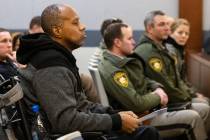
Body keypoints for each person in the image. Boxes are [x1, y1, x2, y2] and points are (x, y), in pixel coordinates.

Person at [16, 4, 161, 140]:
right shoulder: (50, 66)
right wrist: (115, 121)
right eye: (75, 22)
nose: (83, 26)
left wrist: (115, 114)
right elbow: (65, 121)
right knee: (147, 134)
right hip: (65, 135)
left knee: (145, 132)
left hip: (75, 132)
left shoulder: (58, 58)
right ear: (57, 30)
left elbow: (81, 105)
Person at [98, 22, 208, 139]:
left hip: (153, 108)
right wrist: (158, 97)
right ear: (117, 42)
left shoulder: (124, 59)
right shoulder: (113, 70)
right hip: (142, 119)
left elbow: (144, 78)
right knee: (193, 117)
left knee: (204, 109)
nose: (134, 42)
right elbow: (136, 104)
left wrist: (157, 87)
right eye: (130, 38)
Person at [134, 10, 210, 136]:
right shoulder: (148, 51)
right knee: (201, 109)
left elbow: (177, 79)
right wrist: (189, 97)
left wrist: (190, 95)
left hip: (167, 100)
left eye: (167, 24)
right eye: (161, 24)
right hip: (158, 106)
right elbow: (166, 85)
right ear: (149, 28)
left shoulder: (159, 47)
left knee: (205, 107)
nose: (167, 28)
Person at [164, 18, 209, 105]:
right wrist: (193, 94)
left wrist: (194, 92)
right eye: (180, 32)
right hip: (172, 96)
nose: (184, 36)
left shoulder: (179, 50)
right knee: (205, 102)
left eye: (187, 33)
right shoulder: (170, 51)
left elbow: (183, 79)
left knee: (206, 100)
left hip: (180, 91)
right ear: (171, 33)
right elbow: (175, 82)